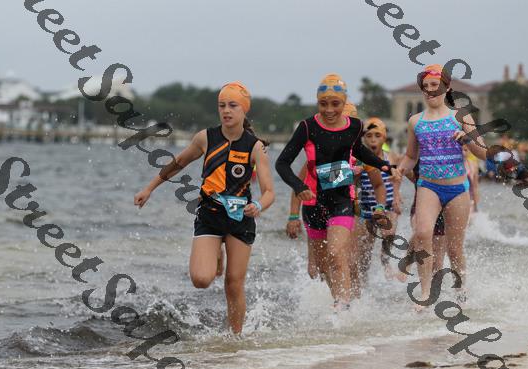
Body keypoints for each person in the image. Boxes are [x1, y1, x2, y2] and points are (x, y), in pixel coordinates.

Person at [134, 82, 275, 334]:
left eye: (233, 105)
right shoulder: (205, 138)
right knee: (201, 280)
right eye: (222, 105)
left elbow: (269, 192)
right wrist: (149, 188)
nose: (226, 111)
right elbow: (178, 163)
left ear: (244, 109)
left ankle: (235, 339)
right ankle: (217, 251)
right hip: (209, 215)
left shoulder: (255, 147)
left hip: (240, 219)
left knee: (233, 284)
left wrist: (257, 206)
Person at [276, 73, 391, 311]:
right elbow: (297, 178)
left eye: (338, 107)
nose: (332, 113)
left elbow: (378, 183)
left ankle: (347, 302)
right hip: (314, 205)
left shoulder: (357, 144)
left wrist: (385, 178)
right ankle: (339, 301)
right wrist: (293, 215)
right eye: (324, 104)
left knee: (340, 254)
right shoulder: (311, 136)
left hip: (345, 204)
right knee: (320, 266)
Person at [393, 64, 487, 307]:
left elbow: (484, 153)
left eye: (434, 85)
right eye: (425, 87)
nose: (430, 90)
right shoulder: (415, 121)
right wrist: (400, 169)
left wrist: (468, 139)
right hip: (428, 186)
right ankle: (425, 293)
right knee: (422, 233)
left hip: (457, 189)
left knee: (454, 249)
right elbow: (411, 156)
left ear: (446, 87)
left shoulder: (461, 117)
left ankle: (461, 291)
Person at [285, 101, 364, 287]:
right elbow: (299, 187)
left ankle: (353, 298)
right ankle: (332, 295)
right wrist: (293, 216)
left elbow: (376, 185)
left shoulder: (359, 155)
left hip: (347, 210)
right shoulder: (316, 156)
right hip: (317, 208)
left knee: (348, 260)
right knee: (316, 268)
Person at [352, 117, 402, 292]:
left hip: (387, 206)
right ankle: (363, 281)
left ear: (384, 138)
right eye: (369, 135)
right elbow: (353, 184)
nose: (373, 139)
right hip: (366, 207)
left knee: (389, 234)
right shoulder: (360, 159)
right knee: (365, 250)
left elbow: (398, 177)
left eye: (377, 135)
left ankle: (385, 261)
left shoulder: (391, 157)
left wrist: (397, 195)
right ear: (363, 138)